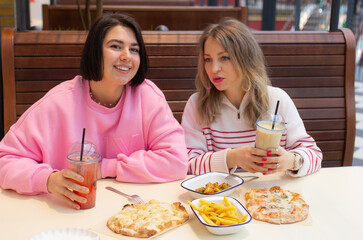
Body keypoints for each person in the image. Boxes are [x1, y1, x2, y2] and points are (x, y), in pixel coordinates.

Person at [0, 13, 188, 209]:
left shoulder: (147, 97)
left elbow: (176, 160)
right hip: (68, 213)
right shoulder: (58, 103)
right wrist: (47, 180)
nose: (126, 56)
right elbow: (5, 160)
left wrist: (104, 168)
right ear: (94, 51)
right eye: (115, 46)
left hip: (132, 214)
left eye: (134, 49)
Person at [181, 18, 322, 177]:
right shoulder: (197, 104)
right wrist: (232, 158)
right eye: (208, 59)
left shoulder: (277, 99)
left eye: (224, 58)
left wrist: (291, 160)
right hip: (221, 199)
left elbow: (314, 155)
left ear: (245, 58)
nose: (214, 69)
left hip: (272, 195)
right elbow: (187, 164)